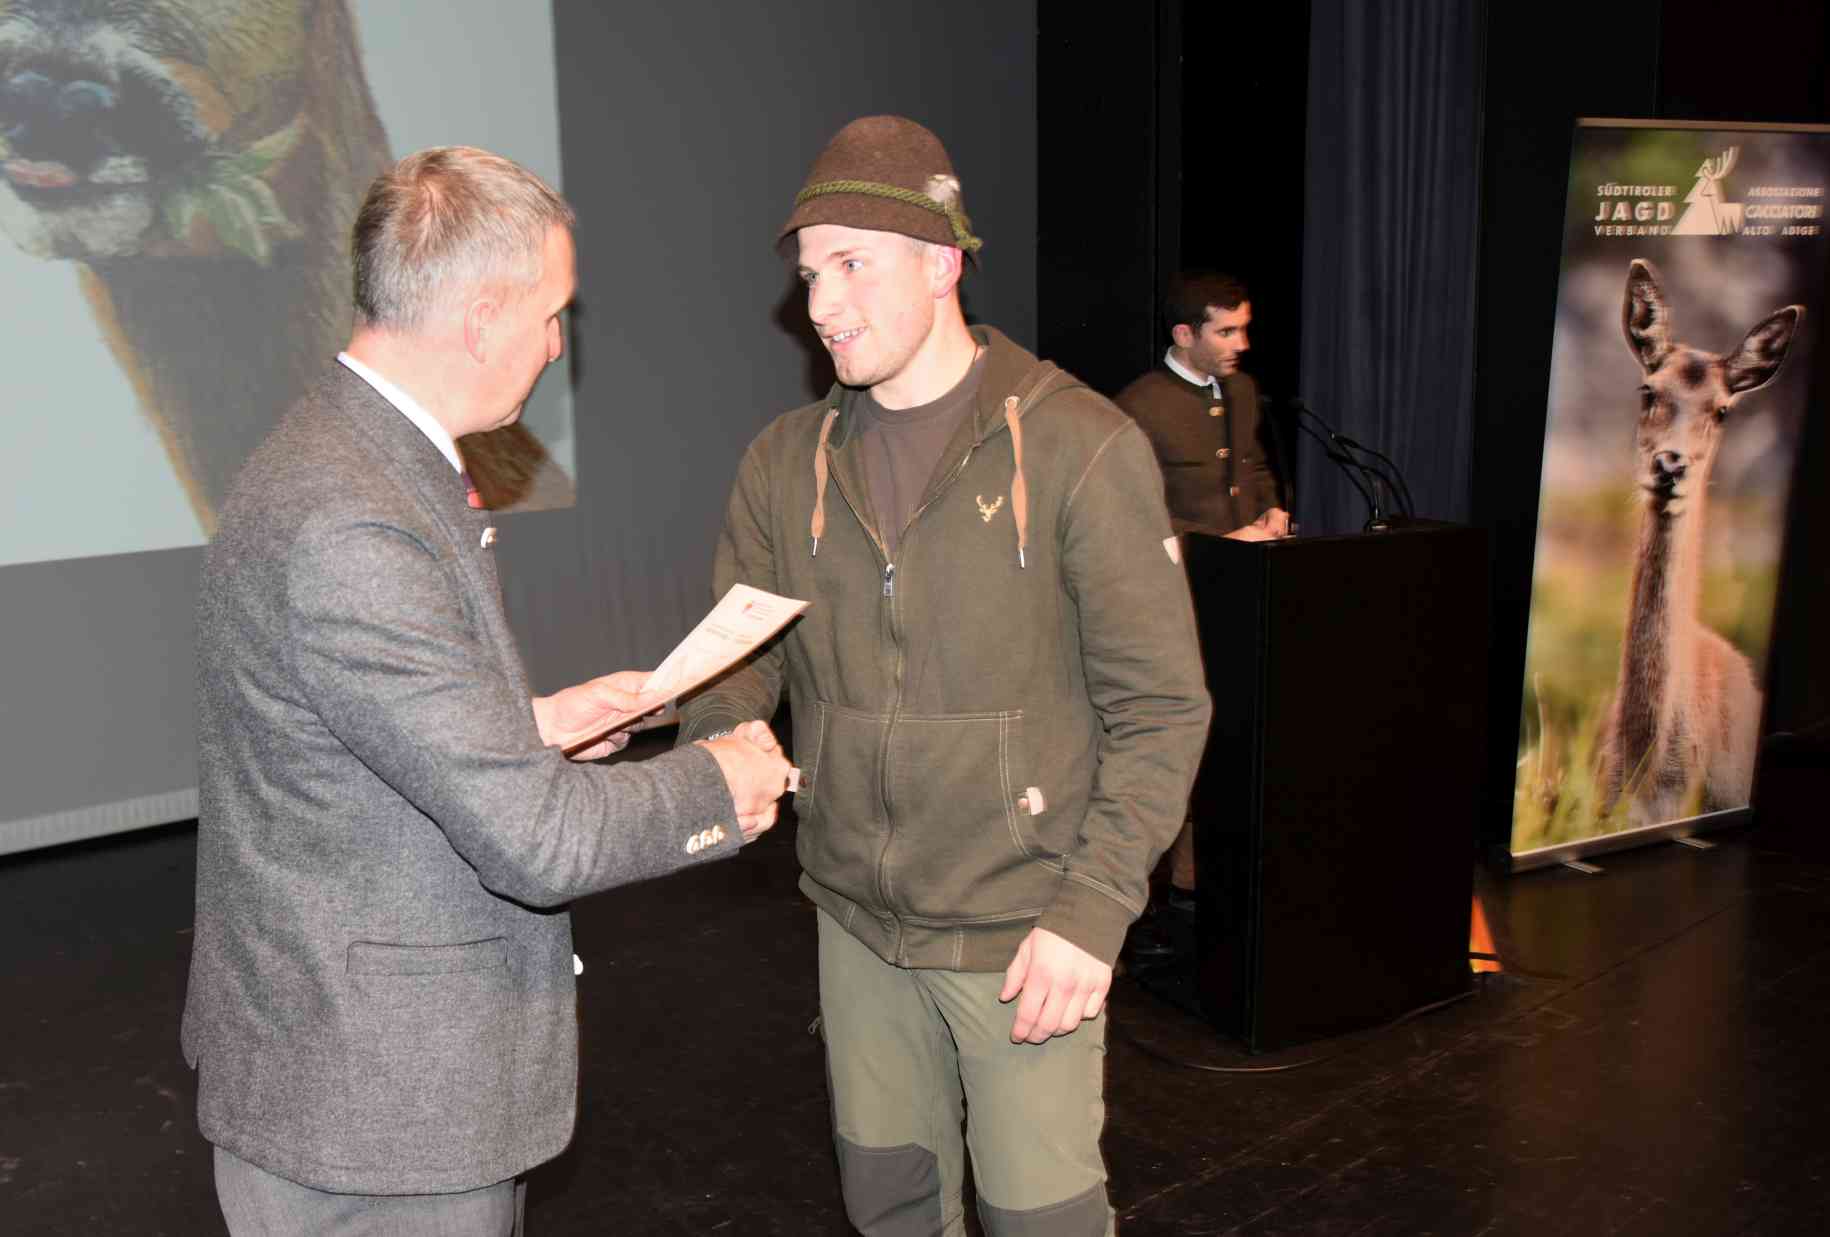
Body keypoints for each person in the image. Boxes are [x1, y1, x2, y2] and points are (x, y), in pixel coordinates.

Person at [181, 146, 793, 1235]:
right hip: (380, 1113)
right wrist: (717, 782)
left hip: (353, 1074)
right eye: (552, 315)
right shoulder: (356, 519)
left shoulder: (340, 455)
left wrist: (530, 726)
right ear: (481, 317)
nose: (557, 344)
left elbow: (344, 733)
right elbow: (537, 841)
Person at [676, 116, 1211, 1236]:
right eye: (810, 274)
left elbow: (1162, 709)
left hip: (1025, 930)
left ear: (941, 263)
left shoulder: (1078, 447)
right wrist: (722, 740)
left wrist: (1093, 909)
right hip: (855, 925)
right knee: (890, 1203)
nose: (822, 303)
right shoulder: (784, 463)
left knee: (1041, 1219)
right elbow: (737, 659)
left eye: (851, 264)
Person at [1113, 271, 1289, 952]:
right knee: (1173, 748)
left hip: (1240, 595)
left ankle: (1196, 889)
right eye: (1227, 330)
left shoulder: (1241, 391)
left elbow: (1253, 469)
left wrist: (1271, 510)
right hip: (1171, 600)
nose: (1241, 343)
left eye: (1245, 328)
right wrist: (1214, 545)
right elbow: (1128, 517)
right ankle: (1140, 905)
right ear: (1185, 334)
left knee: (1228, 742)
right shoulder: (1139, 405)